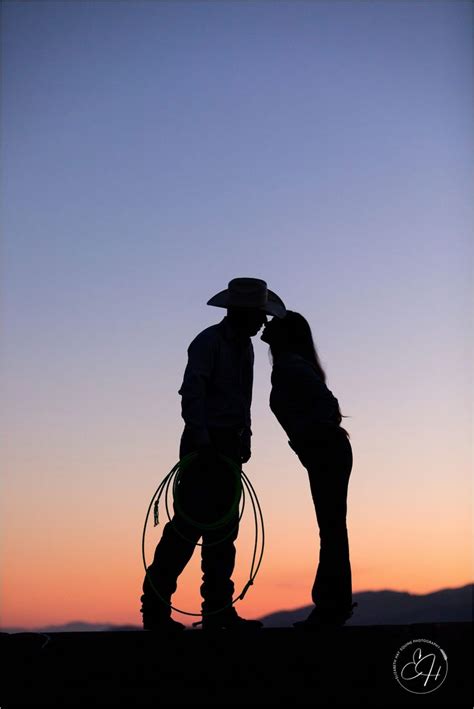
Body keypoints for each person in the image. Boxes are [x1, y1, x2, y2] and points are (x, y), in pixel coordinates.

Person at [141, 277, 286, 630]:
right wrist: (203, 437)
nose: (263, 323)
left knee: (223, 530)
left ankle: (217, 610)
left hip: (227, 444)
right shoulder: (207, 343)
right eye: (258, 315)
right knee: (189, 527)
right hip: (205, 443)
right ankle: (158, 608)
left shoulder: (244, 348)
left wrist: (245, 436)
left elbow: (243, 398)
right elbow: (192, 393)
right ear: (243, 313)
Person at [260, 311, 356, 627]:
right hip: (325, 452)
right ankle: (333, 604)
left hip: (327, 451)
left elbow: (329, 407)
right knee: (331, 527)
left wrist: (309, 435)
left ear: (286, 335)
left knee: (331, 528)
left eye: (274, 323)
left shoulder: (290, 366)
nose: (266, 324)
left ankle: (332, 606)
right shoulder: (290, 366)